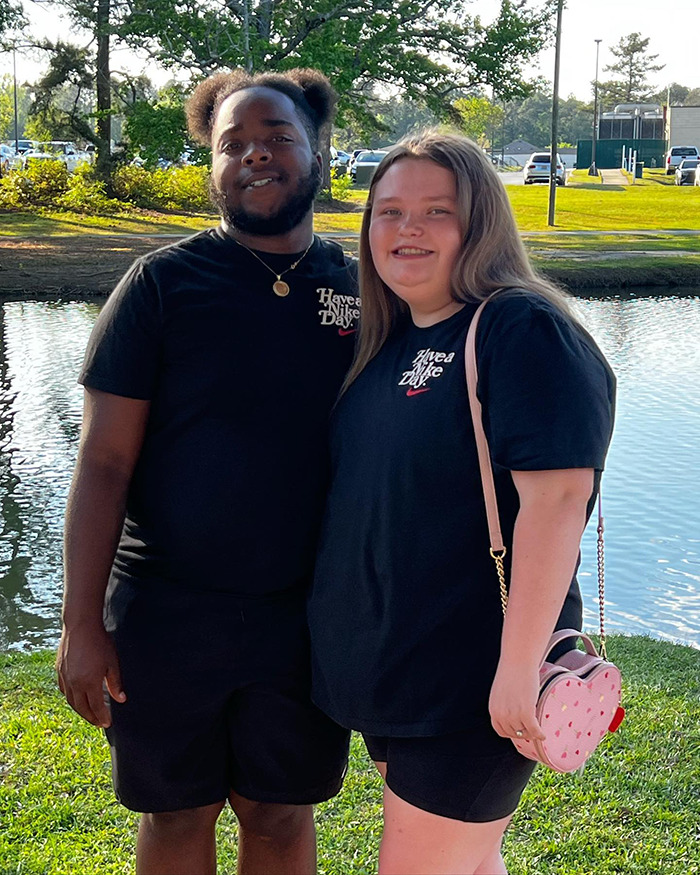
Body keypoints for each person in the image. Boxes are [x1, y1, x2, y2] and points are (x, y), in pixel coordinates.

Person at [55, 68, 359, 875]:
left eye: (277, 137)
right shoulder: (161, 286)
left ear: (317, 150)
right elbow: (104, 462)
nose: (256, 155)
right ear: (213, 165)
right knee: (177, 812)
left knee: (280, 812)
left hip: (305, 616)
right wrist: (81, 622)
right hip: (164, 613)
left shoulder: (363, 289)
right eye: (233, 144)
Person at [307, 132, 616, 875]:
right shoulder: (387, 342)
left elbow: (559, 498)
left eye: (436, 211)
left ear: (479, 225)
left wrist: (515, 667)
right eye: (389, 211)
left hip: (473, 681)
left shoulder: (516, 327)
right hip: (399, 677)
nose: (407, 228)